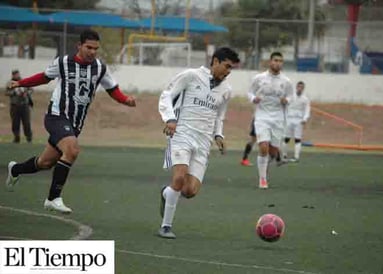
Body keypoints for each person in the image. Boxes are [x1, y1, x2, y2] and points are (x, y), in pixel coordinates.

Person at [5, 29, 136, 214]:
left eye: (95, 49)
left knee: (45, 162)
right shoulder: (63, 62)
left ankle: (16, 169)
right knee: (72, 149)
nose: (92, 52)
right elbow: (44, 77)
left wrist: (125, 100)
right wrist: (20, 83)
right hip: (56, 116)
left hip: (75, 124)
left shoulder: (100, 68)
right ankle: (53, 198)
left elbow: (112, 89)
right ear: (79, 46)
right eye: (88, 47)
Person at [158, 47, 240, 239]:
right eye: (227, 66)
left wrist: (219, 135)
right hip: (182, 134)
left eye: (231, 69)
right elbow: (166, 96)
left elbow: (220, 116)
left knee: (189, 190)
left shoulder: (226, 90)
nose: (228, 71)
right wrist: (170, 119)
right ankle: (166, 227)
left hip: (203, 143)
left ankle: (166, 194)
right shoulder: (191, 76)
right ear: (215, 61)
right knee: (178, 179)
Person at [248, 52, 294, 189]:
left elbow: (291, 97)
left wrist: (287, 100)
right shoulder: (259, 78)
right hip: (262, 117)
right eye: (275, 60)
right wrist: (253, 99)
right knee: (263, 146)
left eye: (280, 61)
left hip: (278, 118)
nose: (278, 63)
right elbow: (250, 92)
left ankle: (266, 165)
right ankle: (262, 179)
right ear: (270, 62)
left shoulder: (286, 82)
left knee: (273, 151)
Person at [283, 81, 310, 162]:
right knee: (286, 138)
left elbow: (307, 110)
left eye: (301, 87)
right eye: (298, 87)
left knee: (297, 139)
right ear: (296, 87)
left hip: (299, 121)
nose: (300, 89)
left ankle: (296, 157)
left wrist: (305, 119)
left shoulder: (305, 99)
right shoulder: (291, 96)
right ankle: (284, 156)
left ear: (303, 88)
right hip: (289, 119)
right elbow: (284, 104)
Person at [5, 69, 34, 143]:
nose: (17, 76)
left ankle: (29, 137)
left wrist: (26, 93)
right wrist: (14, 92)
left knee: (26, 123)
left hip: (24, 105)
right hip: (14, 106)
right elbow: (6, 92)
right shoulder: (10, 83)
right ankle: (16, 137)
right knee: (15, 123)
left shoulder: (24, 81)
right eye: (15, 75)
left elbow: (31, 89)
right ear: (13, 75)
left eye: (17, 74)